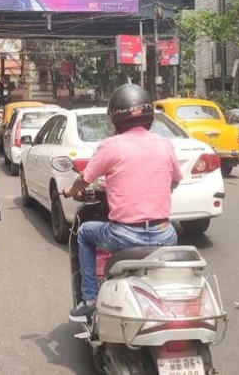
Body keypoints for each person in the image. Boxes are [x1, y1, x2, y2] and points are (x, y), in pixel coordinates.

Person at [62, 84, 182, 322]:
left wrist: (70, 191)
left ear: (115, 119)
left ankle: (89, 300)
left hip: (125, 235)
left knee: (85, 232)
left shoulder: (110, 146)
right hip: (165, 234)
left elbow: (84, 179)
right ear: (149, 116)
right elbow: (174, 181)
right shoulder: (164, 144)